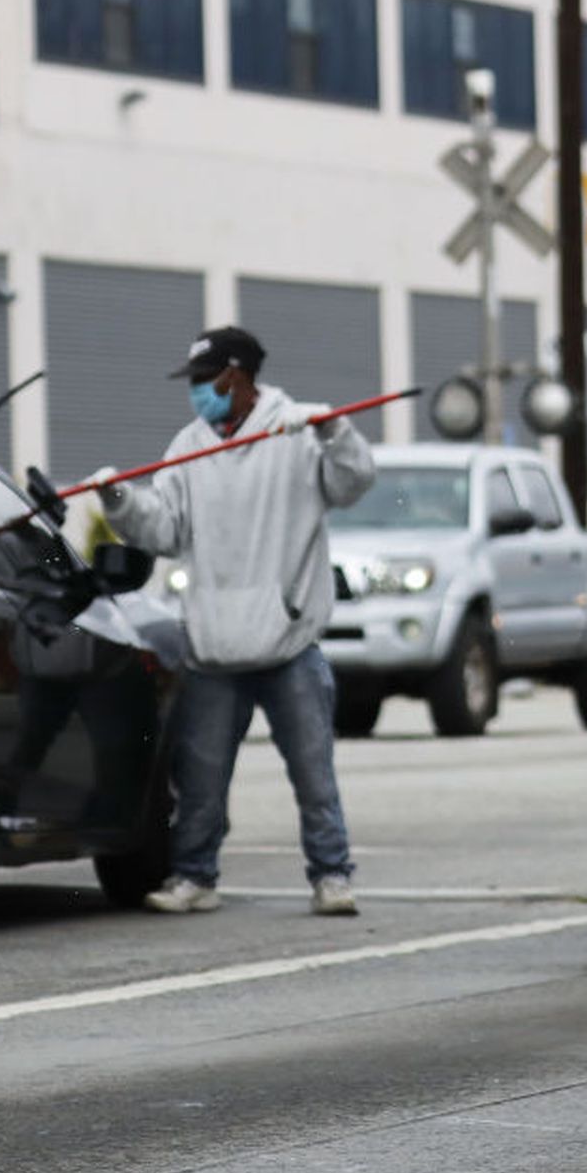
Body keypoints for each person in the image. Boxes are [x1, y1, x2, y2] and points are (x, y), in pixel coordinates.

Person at [93, 326, 376, 917]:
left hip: (288, 643)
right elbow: (166, 530)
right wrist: (121, 502)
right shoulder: (188, 446)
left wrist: (334, 432)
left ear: (237, 376)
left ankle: (332, 875)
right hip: (215, 648)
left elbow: (354, 483)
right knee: (201, 778)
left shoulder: (295, 431)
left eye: (204, 380)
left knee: (313, 774)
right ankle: (195, 875)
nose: (196, 392)